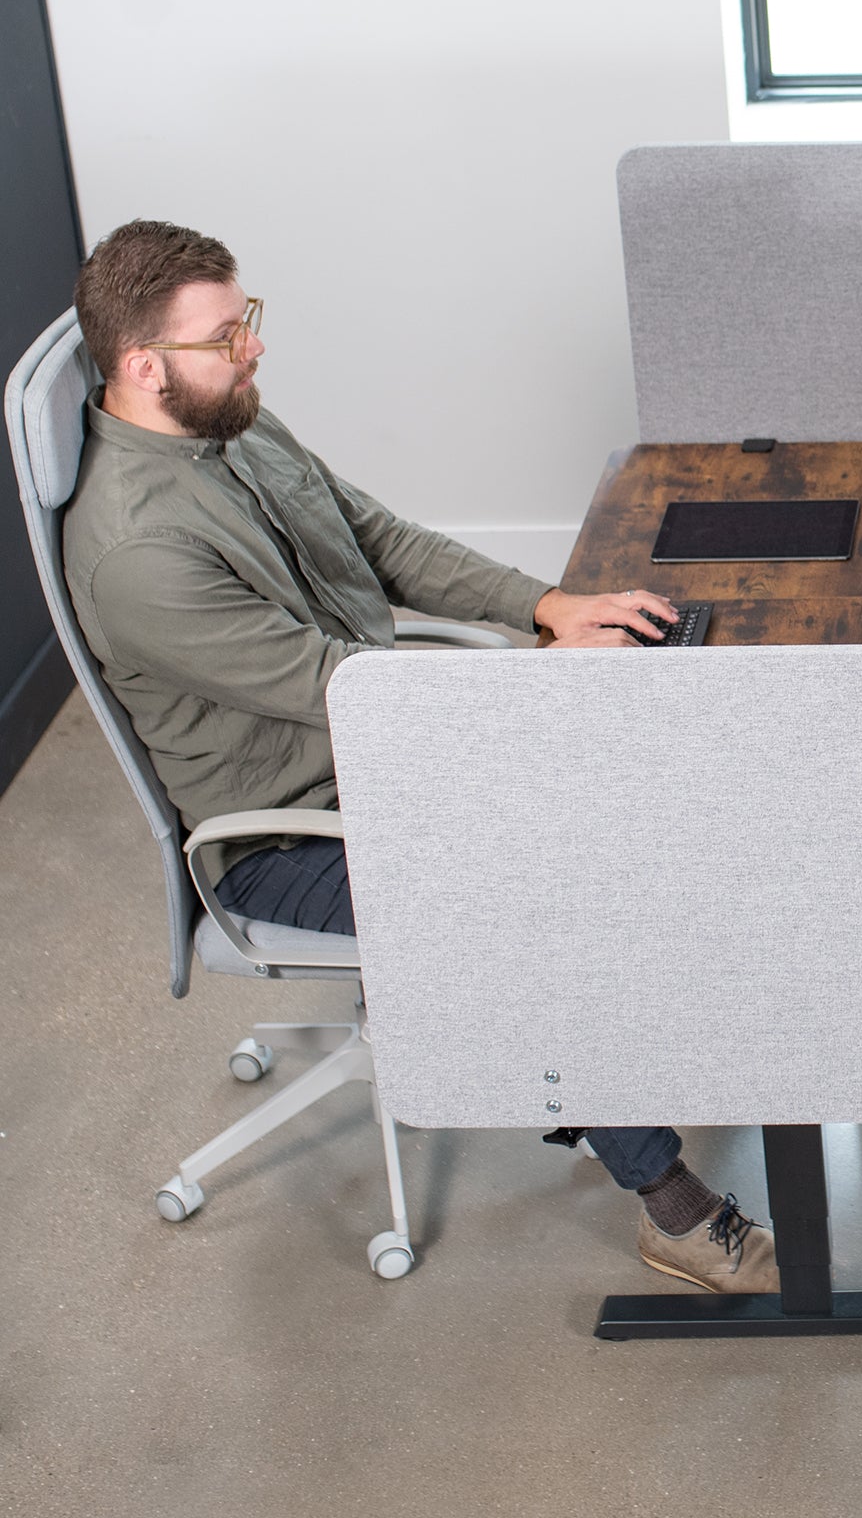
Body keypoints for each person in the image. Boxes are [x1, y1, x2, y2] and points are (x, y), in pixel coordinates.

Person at [63, 219, 777, 1292]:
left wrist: (549, 605)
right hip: (291, 829)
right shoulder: (139, 551)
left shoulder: (231, 426)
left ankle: (667, 1029)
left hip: (387, 747)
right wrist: (537, 678)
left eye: (246, 319)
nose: (252, 347)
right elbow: (342, 690)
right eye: (226, 335)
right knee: (514, 904)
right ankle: (673, 1209)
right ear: (142, 365)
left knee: (654, 762)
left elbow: (379, 537)